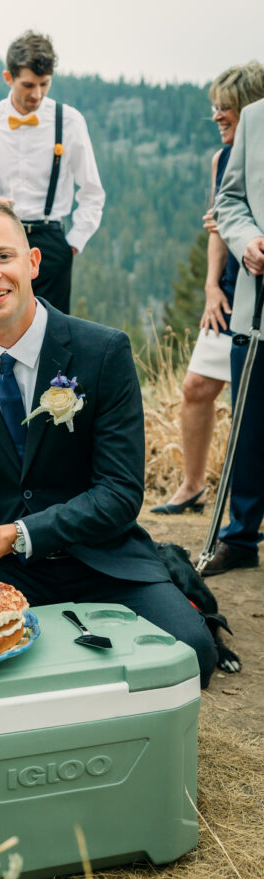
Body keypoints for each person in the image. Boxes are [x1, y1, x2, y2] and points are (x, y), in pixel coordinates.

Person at [0, 202, 216, 687]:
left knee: (191, 655)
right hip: (8, 568)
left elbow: (121, 493)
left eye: (4, 257)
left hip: (105, 557)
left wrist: (18, 532)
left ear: (34, 263)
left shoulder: (103, 350)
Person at [152, 62, 264, 515]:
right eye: (215, 107)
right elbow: (218, 228)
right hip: (231, 289)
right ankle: (193, 484)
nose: (218, 116)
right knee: (197, 387)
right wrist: (211, 287)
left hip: (256, 292)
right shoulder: (220, 160)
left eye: (227, 108)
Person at [0, 31, 104, 314]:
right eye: (28, 85)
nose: (36, 94)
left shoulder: (69, 122)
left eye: (44, 84)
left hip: (50, 240)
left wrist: (72, 244)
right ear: (8, 78)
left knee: (54, 335)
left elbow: (92, 192)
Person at [203, 96, 264, 575]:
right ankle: (240, 539)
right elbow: (230, 199)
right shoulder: (257, 117)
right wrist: (246, 242)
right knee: (249, 429)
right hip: (256, 304)